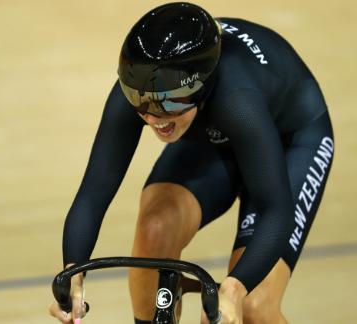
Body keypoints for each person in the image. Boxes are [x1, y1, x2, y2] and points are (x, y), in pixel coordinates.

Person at [49, 2, 334, 323]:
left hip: (290, 142)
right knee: (154, 230)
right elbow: (93, 194)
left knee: (253, 308)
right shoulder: (145, 92)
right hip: (214, 137)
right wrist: (73, 272)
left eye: (170, 103)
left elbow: (277, 211)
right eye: (139, 103)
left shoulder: (238, 100)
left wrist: (234, 289)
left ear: (205, 85)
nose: (154, 117)